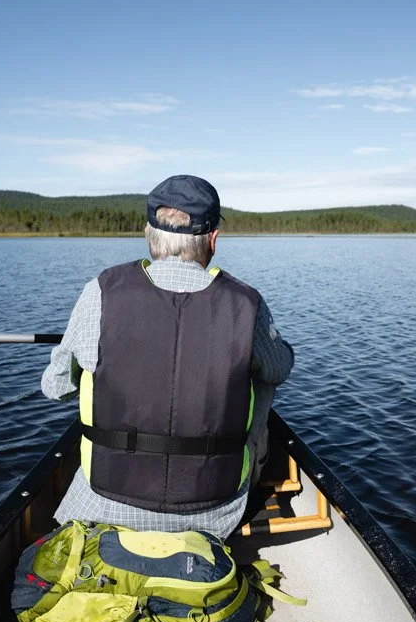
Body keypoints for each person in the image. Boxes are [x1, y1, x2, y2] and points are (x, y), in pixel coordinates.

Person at [41, 174, 294, 538]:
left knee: (88, 376)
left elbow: (56, 387)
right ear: (213, 240)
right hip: (217, 507)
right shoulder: (245, 303)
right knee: (263, 377)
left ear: (149, 234)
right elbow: (280, 368)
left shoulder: (101, 291)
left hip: (103, 499)